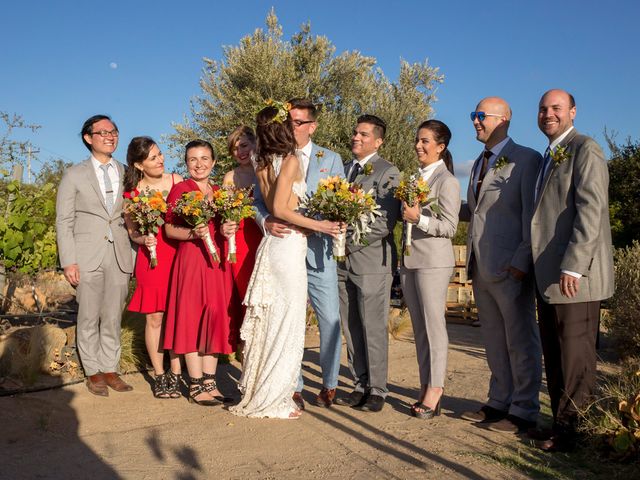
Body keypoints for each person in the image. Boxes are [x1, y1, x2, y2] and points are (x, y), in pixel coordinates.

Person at [229, 102, 342, 419]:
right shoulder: (289, 159)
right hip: (289, 244)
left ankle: (262, 388)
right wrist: (320, 225)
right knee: (286, 324)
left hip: (274, 248)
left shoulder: (260, 159)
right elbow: (278, 208)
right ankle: (277, 395)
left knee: (273, 321)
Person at [530, 89, 614, 451]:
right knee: (556, 352)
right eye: (544, 108)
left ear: (573, 112)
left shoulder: (586, 149)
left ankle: (575, 433)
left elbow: (590, 211)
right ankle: (560, 424)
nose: (549, 114)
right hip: (548, 275)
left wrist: (575, 267)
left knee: (576, 356)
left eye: (556, 108)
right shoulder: (549, 157)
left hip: (573, 276)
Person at [459, 97, 543, 434]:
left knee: (520, 339)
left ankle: (524, 409)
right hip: (481, 266)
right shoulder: (480, 162)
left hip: (511, 267)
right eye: (473, 115)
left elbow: (532, 214)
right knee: (494, 339)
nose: (476, 121)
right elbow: (476, 211)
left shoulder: (527, 159)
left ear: (505, 119)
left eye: (482, 116)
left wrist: (521, 261)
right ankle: (498, 400)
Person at [56, 114, 134, 396]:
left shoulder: (128, 172)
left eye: (113, 131)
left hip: (120, 253)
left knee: (113, 315)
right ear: (88, 138)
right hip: (86, 255)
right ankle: (93, 372)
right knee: (89, 316)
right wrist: (69, 261)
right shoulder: (74, 175)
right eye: (103, 133)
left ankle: (111, 368)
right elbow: (63, 221)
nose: (110, 136)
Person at [163, 140, 237, 406]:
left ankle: (210, 382)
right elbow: (170, 230)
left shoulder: (220, 192)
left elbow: (227, 223)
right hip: (192, 261)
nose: (199, 164)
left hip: (217, 263)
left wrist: (229, 228)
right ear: (186, 163)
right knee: (193, 318)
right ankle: (195, 385)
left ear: (214, 162)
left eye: (205, 158)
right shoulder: (180, 190)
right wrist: (194, 233)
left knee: (215, 318)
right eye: (193, 159)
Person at [335, 114, 400, 413]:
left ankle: (378, 389)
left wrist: (348, 244)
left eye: (363, 134)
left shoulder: (388, 172)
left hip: (372, 261)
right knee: (351, 326)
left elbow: (385, 221)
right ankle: (359, 383)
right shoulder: (345, 170)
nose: (356, 138)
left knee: (373, 326)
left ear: (378, 140)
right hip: (340, 262)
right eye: (355, 132)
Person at [400, 120, 460, 419]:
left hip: (434, 262)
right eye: (417, 140)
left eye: (425, 141)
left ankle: (436, 390)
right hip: (410, 261)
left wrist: (417, 219)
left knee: (434, 327)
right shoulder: (413, 178)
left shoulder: (447, 181)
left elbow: (450, 226)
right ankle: (426, 384)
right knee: (420, 330)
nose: (418, 146)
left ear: (441, 146)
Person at [123, 136, 183, 399]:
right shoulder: (132, 195)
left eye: (160, 154)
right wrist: (142, 239)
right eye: (153, 158)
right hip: (152, 259)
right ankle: (160, 374)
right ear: (138, 165)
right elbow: (132, 233)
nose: (160, 160)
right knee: (155, 317)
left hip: (181, 255)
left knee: (179, 314)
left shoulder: (177, 182)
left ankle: (178, 372)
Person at [221, 126, 262, 335]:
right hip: (241, 240)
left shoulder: (266, 170)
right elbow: (227, 212)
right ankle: (246, 347)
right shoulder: (230, 177)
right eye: (235, 149)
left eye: (244, 145)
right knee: (246, 292)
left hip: (265, 236)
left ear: (255, 143)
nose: (240, 152)